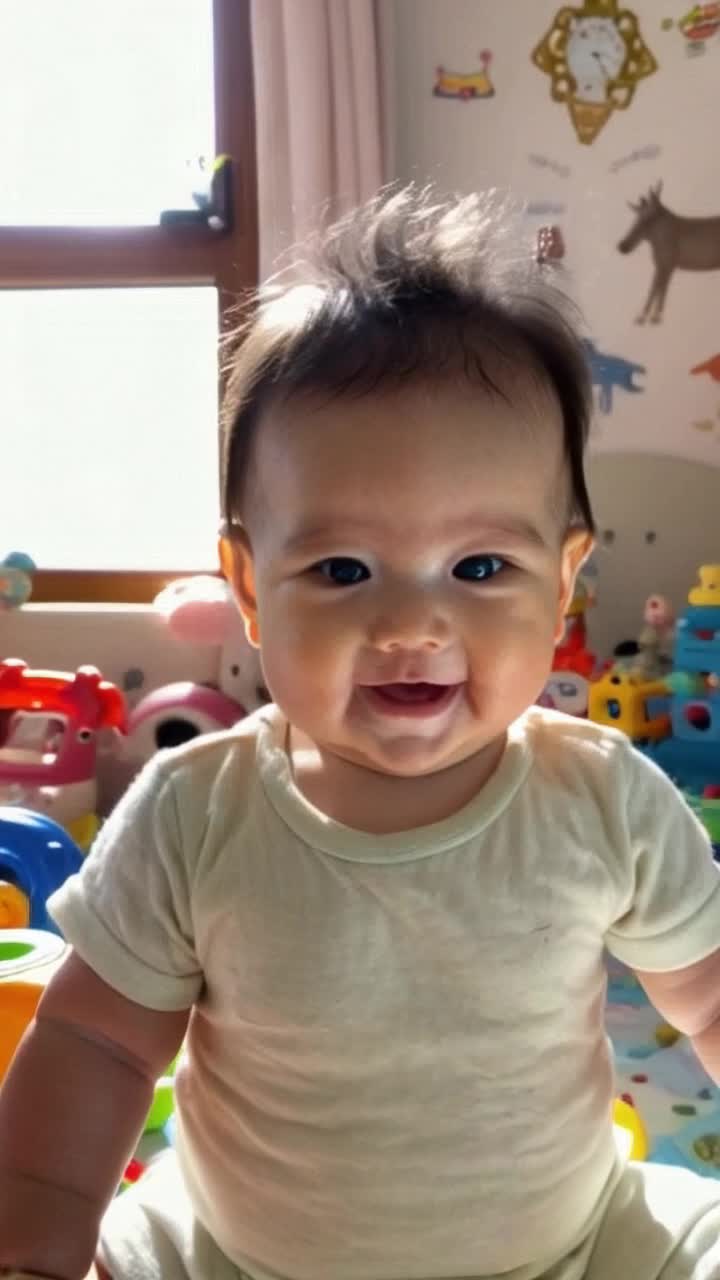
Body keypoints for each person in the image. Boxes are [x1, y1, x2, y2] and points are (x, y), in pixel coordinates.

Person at [2, 186, 720, 1280]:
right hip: (234, 1256)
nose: (413, 624)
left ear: (566, 578)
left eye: (481, 567)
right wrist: (40, 1228)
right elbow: (98, 1041)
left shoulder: (604, 797)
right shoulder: (198, 811)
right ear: (249, 584)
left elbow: (708, 990)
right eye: (341, 569)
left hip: (570, 1249)